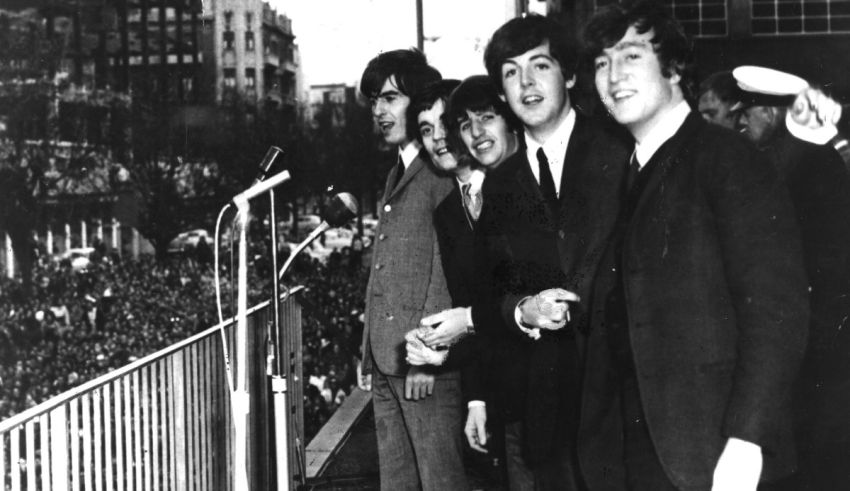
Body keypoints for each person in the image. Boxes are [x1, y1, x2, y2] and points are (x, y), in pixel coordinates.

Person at [579, 2, 809, 490]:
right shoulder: (628, 170)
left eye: (631, 55)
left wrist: (747, 441)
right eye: (602, 62)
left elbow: (778, 310)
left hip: (719, 457)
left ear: (675, 67)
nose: (613, 75)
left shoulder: (728, 161)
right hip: (650, 453)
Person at [415, 14, 631, 490]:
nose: (526, 82)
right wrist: (523, 310)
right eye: (511, 72)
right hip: (546, 413)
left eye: (540, 66)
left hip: (624, 407)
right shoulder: (504, 185)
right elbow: (499, 291)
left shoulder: (621, 153)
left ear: (570, 74)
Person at [732, 69, 850, 490]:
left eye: (749, 111)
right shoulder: (787, 161)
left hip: (815, 351)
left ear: (774, 112)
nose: (741, 120)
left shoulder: (804, 166)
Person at [356, 49, 467, 491]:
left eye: (390, 98)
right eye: (373, 100)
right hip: (389, 360)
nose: (379, 110)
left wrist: (428, 360)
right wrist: (369, 353)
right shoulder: (398, 170)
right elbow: (384, 270)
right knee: (398, 483)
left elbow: (445, 270)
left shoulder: (440, 170)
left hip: (424, 364)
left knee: (440, 480)